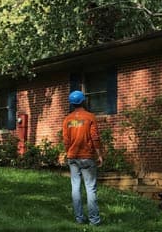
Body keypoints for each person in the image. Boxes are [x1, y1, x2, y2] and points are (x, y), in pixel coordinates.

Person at [62, 90, 103, 226]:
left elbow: (66, 140)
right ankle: (94, 221)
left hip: (72, 157)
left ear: (72, 103)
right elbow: (95, 137)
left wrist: (68, 152)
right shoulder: (90, 117)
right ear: (83, 101)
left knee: (75, 187)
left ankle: (79, 219)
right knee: (90, 188)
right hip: (87, 157)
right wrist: (99, 154)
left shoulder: (67, 119)